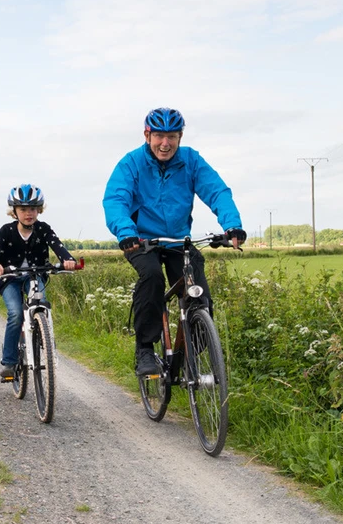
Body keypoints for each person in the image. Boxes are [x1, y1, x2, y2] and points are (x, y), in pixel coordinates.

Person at [102, 108, 246, 377]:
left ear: (180, 137)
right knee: (153, 276)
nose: (165, 143)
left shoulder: (191, 160)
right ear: (147, 135)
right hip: (141, 240)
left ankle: (197, 343)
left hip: (179, 239)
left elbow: (217, 191)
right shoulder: (131, 164)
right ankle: (145, 347)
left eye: (171, 136)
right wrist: (126, 232)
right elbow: (116, 201)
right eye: (159, 136)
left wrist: (232, 224)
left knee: (197, 286)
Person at [0, 184, 80, 382]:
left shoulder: (43, 229)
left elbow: (58, 246)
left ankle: (42, 337)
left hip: (35, 275)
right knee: (16, 313)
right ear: (14, 211)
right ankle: (9, 362)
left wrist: (67, 260)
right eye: (23, 209)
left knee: (39, 303)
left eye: (33, 209)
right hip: (8, 278)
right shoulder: (6, 231)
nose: (29, 213)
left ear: (39, 210)